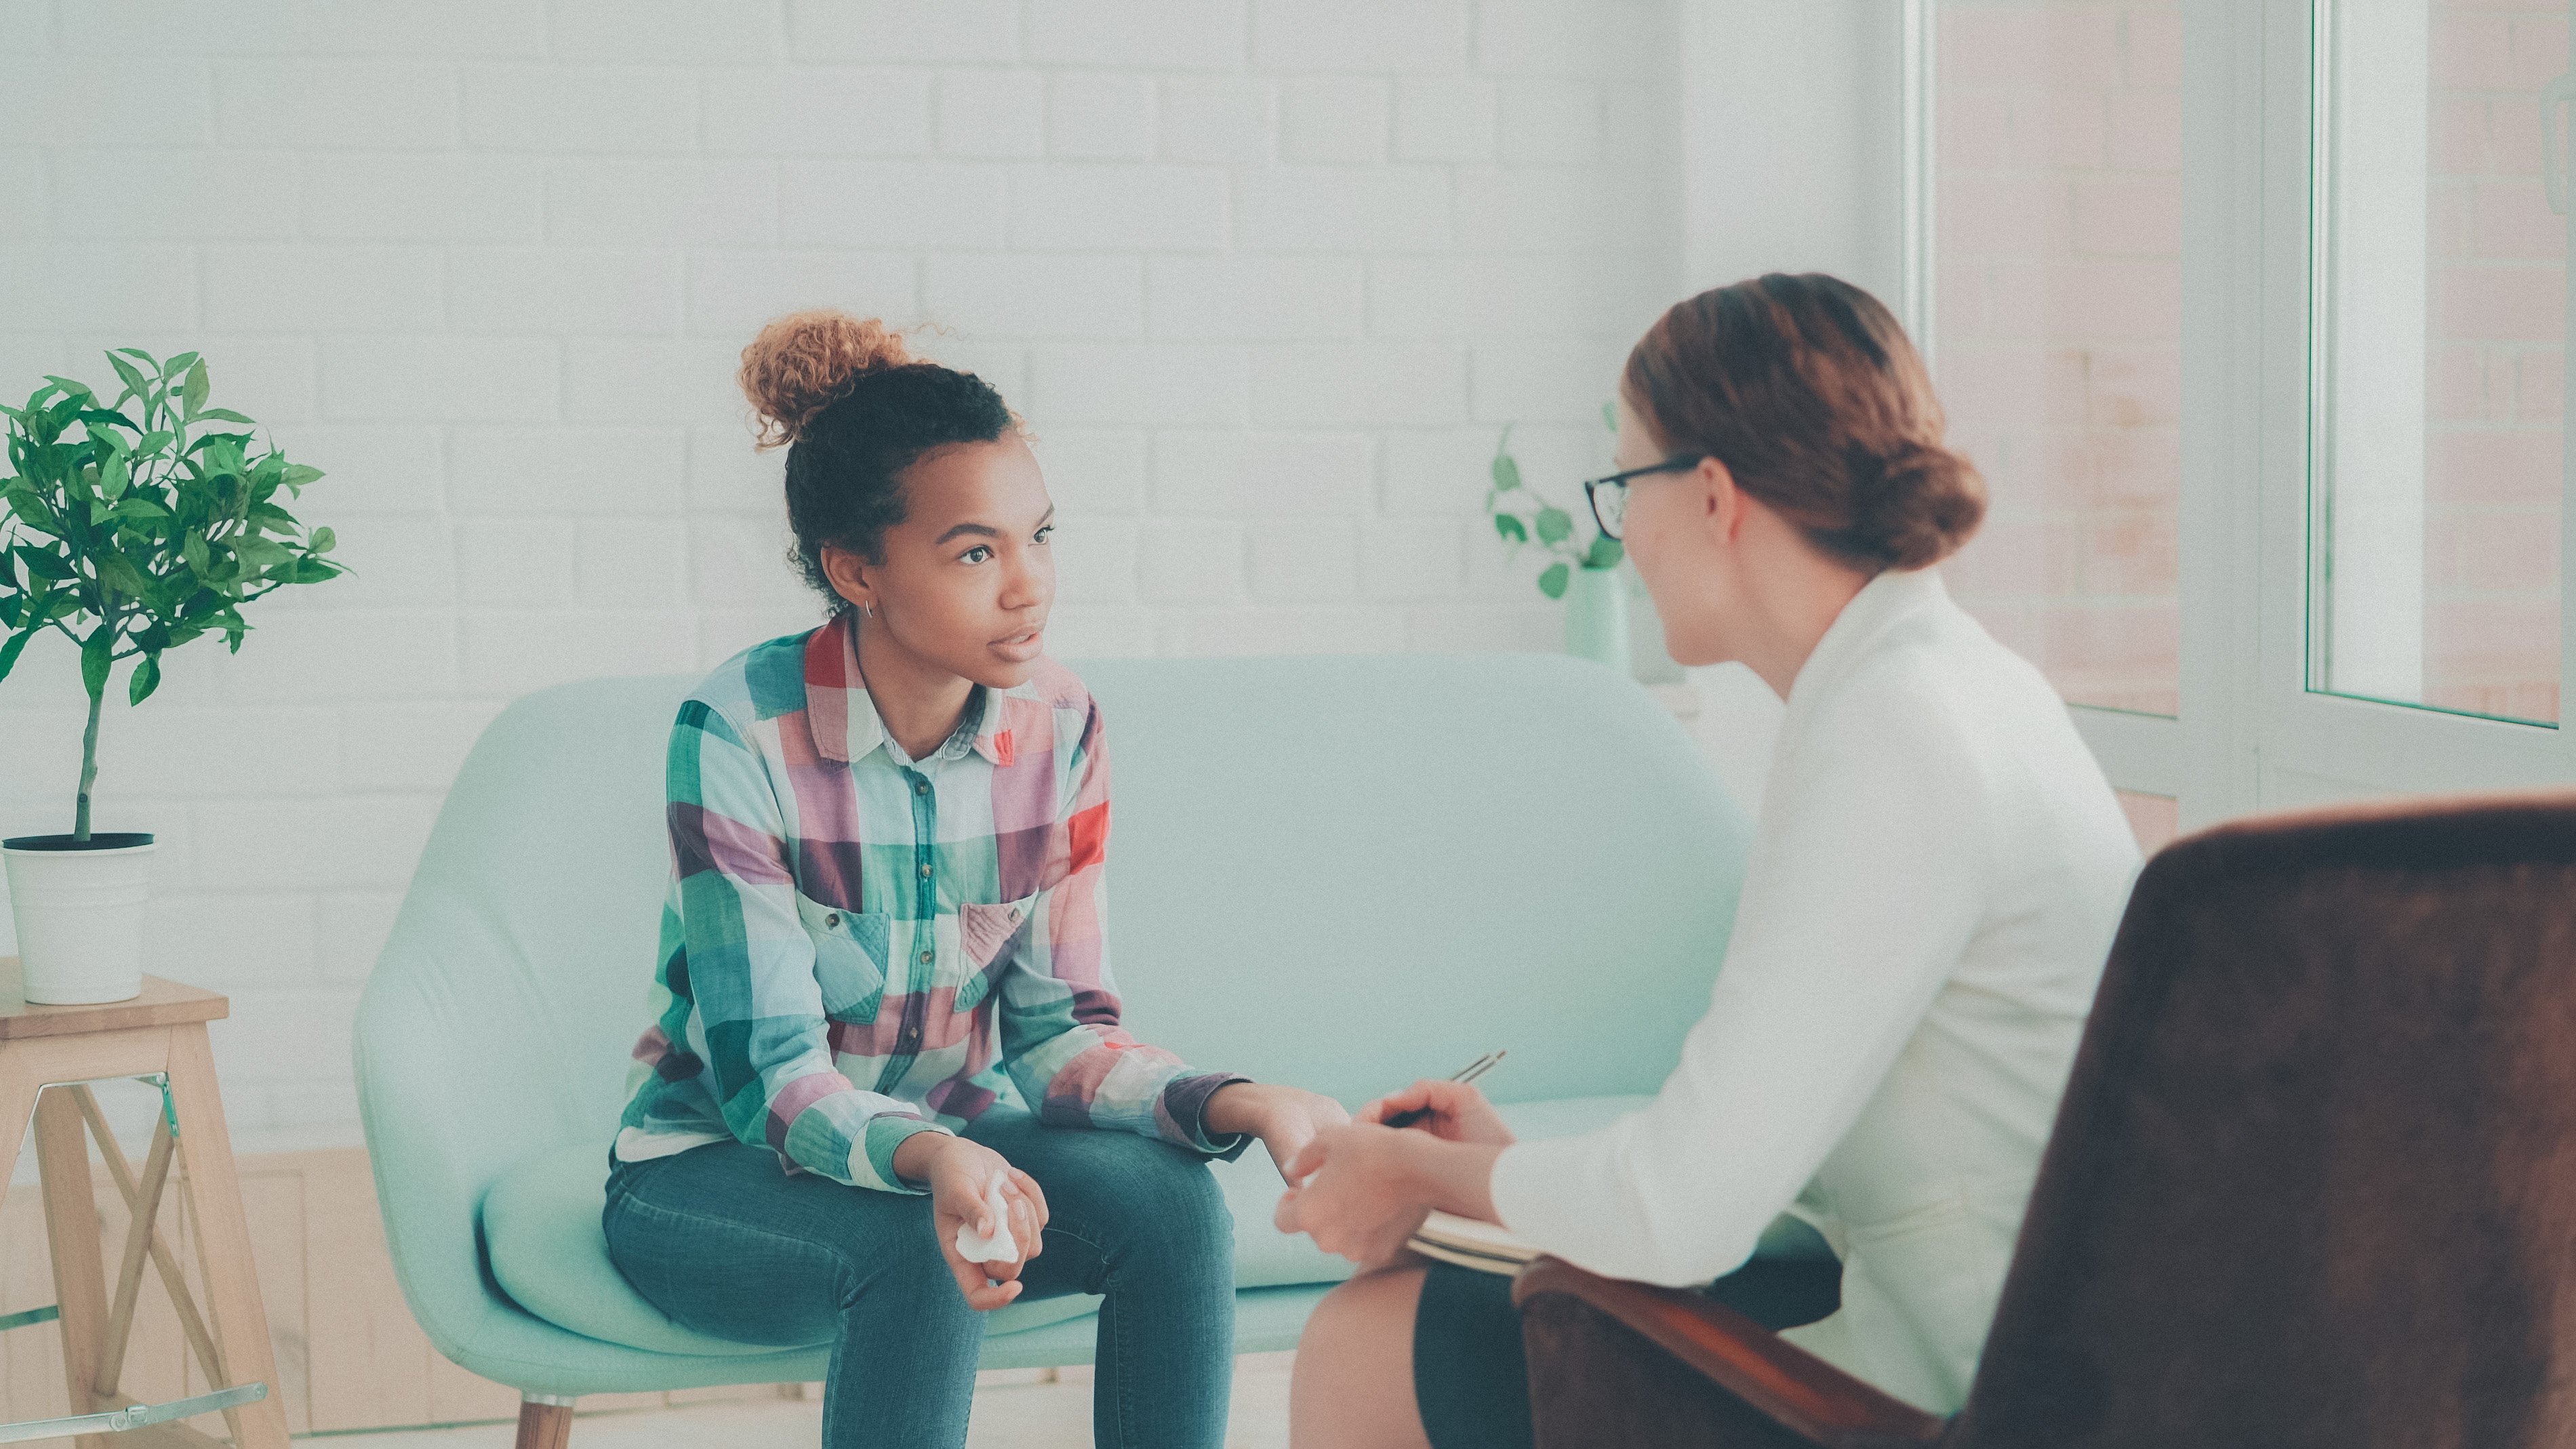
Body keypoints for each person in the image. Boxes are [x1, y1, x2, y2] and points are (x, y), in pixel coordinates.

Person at [1276, 272, 2142, 1449]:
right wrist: (1513, 1173)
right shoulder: (1948, 684)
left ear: (1715, 495)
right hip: (2027, 1332)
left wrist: (1422, 1179)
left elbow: (1683, 1215)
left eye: (1625, 484)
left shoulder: (1891, 734)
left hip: (1963, 1391)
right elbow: (1779, 1158)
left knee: (1370, 1343)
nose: (1622, 529)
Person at [602, 310, 1348, 1449]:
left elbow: (1057, 1038)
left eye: (1040, 535)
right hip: (709, 1177)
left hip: (945, 1146)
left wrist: (1237, 1101)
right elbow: (768, 1082)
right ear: (858, 570)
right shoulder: (739, 730)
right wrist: (940, 1157)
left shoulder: (1064, 725)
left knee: (1174, 1203)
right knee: (920, 1233)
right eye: (975, 552)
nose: (1028, 587)